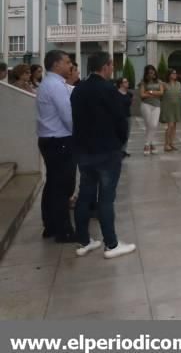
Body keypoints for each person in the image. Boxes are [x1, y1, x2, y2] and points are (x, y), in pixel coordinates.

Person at [71, 51, 136, 259]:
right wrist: (119, 142)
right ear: (105, 66)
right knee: (106, 199)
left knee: (84, 196)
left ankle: (83, 241)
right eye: (111, 65)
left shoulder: (78, 88)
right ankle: (111, 244)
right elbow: (120, 120)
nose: (112, 69)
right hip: (106, 151)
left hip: (84, 151)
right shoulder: (108, 89)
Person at [36, 50, 76, 243]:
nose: (70, 66)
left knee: (52, 184)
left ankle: (50, 225)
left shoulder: (48, 83)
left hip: (49, 139)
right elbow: (67, 116)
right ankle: (63, 230)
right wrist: (78, 136)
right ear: (56, 64)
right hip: (59, 140)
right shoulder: (56, 85)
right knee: (62, 187)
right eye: (67, 62)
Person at [138, 65, 164, 155]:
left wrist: (150, 92)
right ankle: (152, 145)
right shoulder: (143, 82)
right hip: (146, 105)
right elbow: (142, 95)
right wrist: (154, 94)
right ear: (146, 73)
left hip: (157, 106)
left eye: (153, 72)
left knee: (154, 125)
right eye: (149, 72)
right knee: (149, 126)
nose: (151, 74)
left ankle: (146, 145)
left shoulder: (159, 82)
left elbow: (161, 93)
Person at [160, 69, 181, 152]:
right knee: (169, 126)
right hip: (167, 107)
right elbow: (161, 95)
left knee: (174, 126)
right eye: (173, 73)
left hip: (176, 106)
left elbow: (180, 95)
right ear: (169, 74)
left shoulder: (179, 84)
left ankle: (172, 143)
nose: (175, 74)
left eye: (175, 73)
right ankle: (166, 144)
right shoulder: (164, 84)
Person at [116, 77, 133, 158]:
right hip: (119, 117)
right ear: (121, 84)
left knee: (127, 134)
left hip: (128, 116)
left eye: (127, 81)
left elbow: (130, 103)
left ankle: (123, 150)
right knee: (119, 134)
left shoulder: (129, 94)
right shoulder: (116, 93)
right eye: (125, 82)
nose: (127, 83)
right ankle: (118, 150)